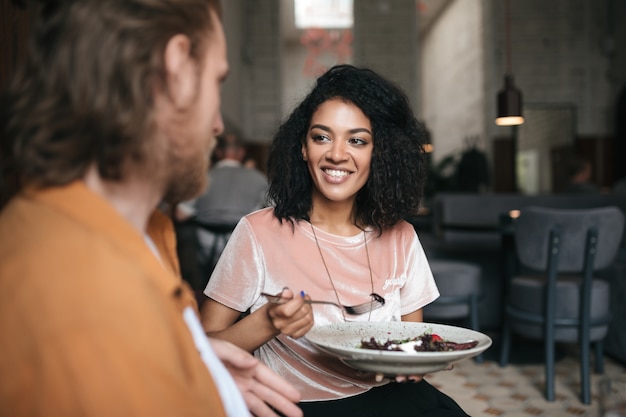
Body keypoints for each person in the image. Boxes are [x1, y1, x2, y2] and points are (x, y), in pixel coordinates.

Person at [0, 1, 302, 416]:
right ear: (176, 69)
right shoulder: (84, 297)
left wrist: (198, 368)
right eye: (217, 81)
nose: (217, 125)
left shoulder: (144, 233)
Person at [200, 64, 470, 416]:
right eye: (322, 137)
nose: (337, 154)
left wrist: (418, 360)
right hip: (296, 405)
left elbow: (409, 345)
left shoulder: (401, 235)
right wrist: (267, 322)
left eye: (357, 140)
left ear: (379, 153)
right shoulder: (258, 232)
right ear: (302, 148)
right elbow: (202, 350)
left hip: (387, 400)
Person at [192, 132, 268, 279]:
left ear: (218, 152)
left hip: (206, 242)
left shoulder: (201, 177)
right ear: (241, 153)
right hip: (241, 242)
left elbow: (180, 214)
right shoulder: (258, 178)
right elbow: (270, 208)